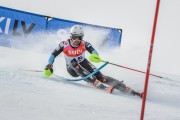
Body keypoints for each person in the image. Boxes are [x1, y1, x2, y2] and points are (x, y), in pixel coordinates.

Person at [43, 25, 143, 98]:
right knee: (74, 64)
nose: (76, 40)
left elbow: (93, 51)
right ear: (70, 36)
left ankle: (130, 91)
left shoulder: (85, 44)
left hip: (83, 62)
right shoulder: (64, 44)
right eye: (74, 37)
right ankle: (98, 84)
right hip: (72, 68)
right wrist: (49, 64)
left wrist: (95, 55)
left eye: (79, 38)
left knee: (102, 77)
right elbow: (53, 55)